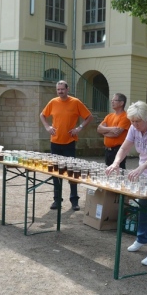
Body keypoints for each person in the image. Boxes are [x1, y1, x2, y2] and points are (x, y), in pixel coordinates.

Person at [106, 101, 147, 266]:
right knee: (142, 208)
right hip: (143, 173)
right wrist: (116, 163)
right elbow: (124, 148)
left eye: (137, 121)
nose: (135, 125)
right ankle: (142, 238)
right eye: (132, 121)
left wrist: (143, 166)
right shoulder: (134, 128)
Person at [40, 80, 93, 211]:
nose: (60, 91)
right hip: (55, 142)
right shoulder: (53, 102)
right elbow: (42, 115)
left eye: (62, 89)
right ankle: (57, 200)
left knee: (72, 171)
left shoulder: (75, 102)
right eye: (58, 89)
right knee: (55, 171)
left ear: (67, 89)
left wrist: (79, 128)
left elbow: (89, 117)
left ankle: (74, 200)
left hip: (69, 142)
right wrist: (47, 127)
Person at [97, 93, 131, 168]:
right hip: (107, 150)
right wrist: (111, 129)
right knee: (108, 171)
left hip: (118, 150)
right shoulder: (109, 116)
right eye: (112, 100)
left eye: (114, 100)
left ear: (121, 103)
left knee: (118, 171)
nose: (112, 102)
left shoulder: (125, 116)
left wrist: (104, 132)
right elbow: (99, 129)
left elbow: (116, 134)